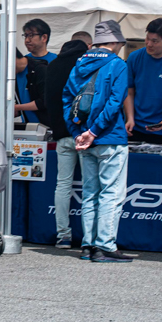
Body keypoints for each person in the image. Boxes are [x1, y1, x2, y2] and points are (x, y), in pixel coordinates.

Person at [62, 20, 134, 263]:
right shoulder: (117, 65)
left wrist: (78, 132)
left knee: (90, 192)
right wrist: (93, 132)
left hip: (83, 140)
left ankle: (88, 245)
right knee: (111, 193)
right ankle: (105, 245)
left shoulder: (78, 65)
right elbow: (115, 103)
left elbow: (67, 101)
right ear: (114, 42)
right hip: (109, 138)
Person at [42, 35, 91, 245]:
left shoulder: (53, 66)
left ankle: (63, 235)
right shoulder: (85, 65)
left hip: (61, 135)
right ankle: (90, 238)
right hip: (84, 134)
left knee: (62, 185)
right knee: (89, 186)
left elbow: (46, 101)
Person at [124, 18, 162, 145]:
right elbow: (129, 91)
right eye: (147, 39)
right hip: (136, 127)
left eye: (154, 41)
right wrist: (130, 118)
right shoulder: (134, 58)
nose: (149, 44)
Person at [14, 19, 55, 125]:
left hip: (51, 125)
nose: (27, 40)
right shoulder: (21, 64)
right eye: (25, 36)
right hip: (27, 125)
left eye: (31, 35)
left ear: (44, 37)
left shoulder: (56, 62)